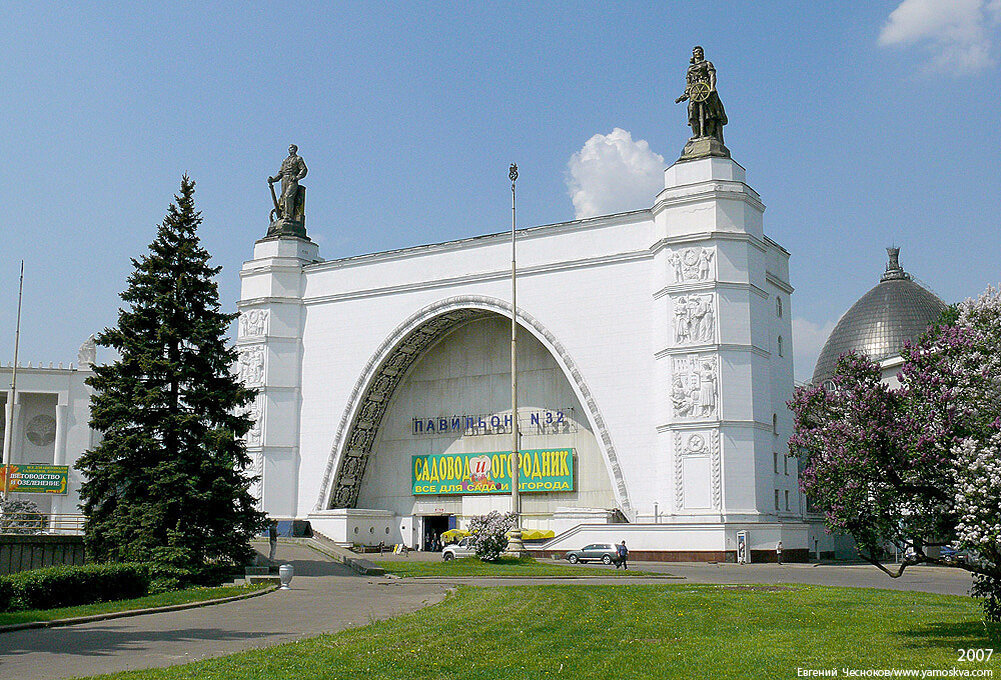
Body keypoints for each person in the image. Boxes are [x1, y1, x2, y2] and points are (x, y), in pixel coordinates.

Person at [674, 45, 728, 143]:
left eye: (700, 51)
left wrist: (712, 87)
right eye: (696, 52)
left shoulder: (707, 64)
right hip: (695, 92)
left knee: (710, 113)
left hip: (706, 90)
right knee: (692, 110)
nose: (699, 53)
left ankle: (710, 134)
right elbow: (689, 83)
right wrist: (685, 95)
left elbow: (712, 75)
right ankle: (696, 134)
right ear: (693, 54)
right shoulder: (690, 68)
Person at [268, 144, 308, 221]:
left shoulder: (298, 159)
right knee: (283, 198)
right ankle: (283, 214)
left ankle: (289, 216)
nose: (291, 149)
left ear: (296, 149)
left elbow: (304, 170)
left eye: (292, 148)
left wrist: (297, 177)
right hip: (284, 180)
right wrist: (273, 179)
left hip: (292, 179)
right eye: (289, 148)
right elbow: (280, 173)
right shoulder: (285, 161)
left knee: (288, 196)